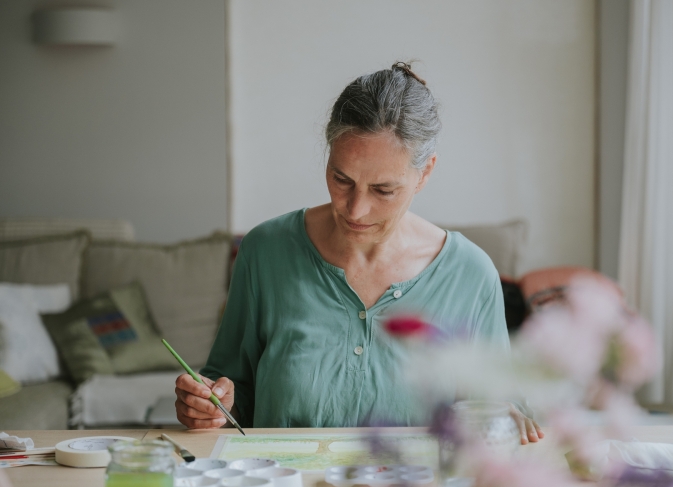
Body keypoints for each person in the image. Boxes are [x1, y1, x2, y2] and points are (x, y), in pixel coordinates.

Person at [175, 62, 544, 444]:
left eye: (383, 190)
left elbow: (496, 408)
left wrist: (504, 414)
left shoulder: (470, 274)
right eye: (341, 179)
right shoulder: (265, 252)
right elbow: (233, 395)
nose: (355, 210)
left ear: (425, 173)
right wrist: (210, 406)